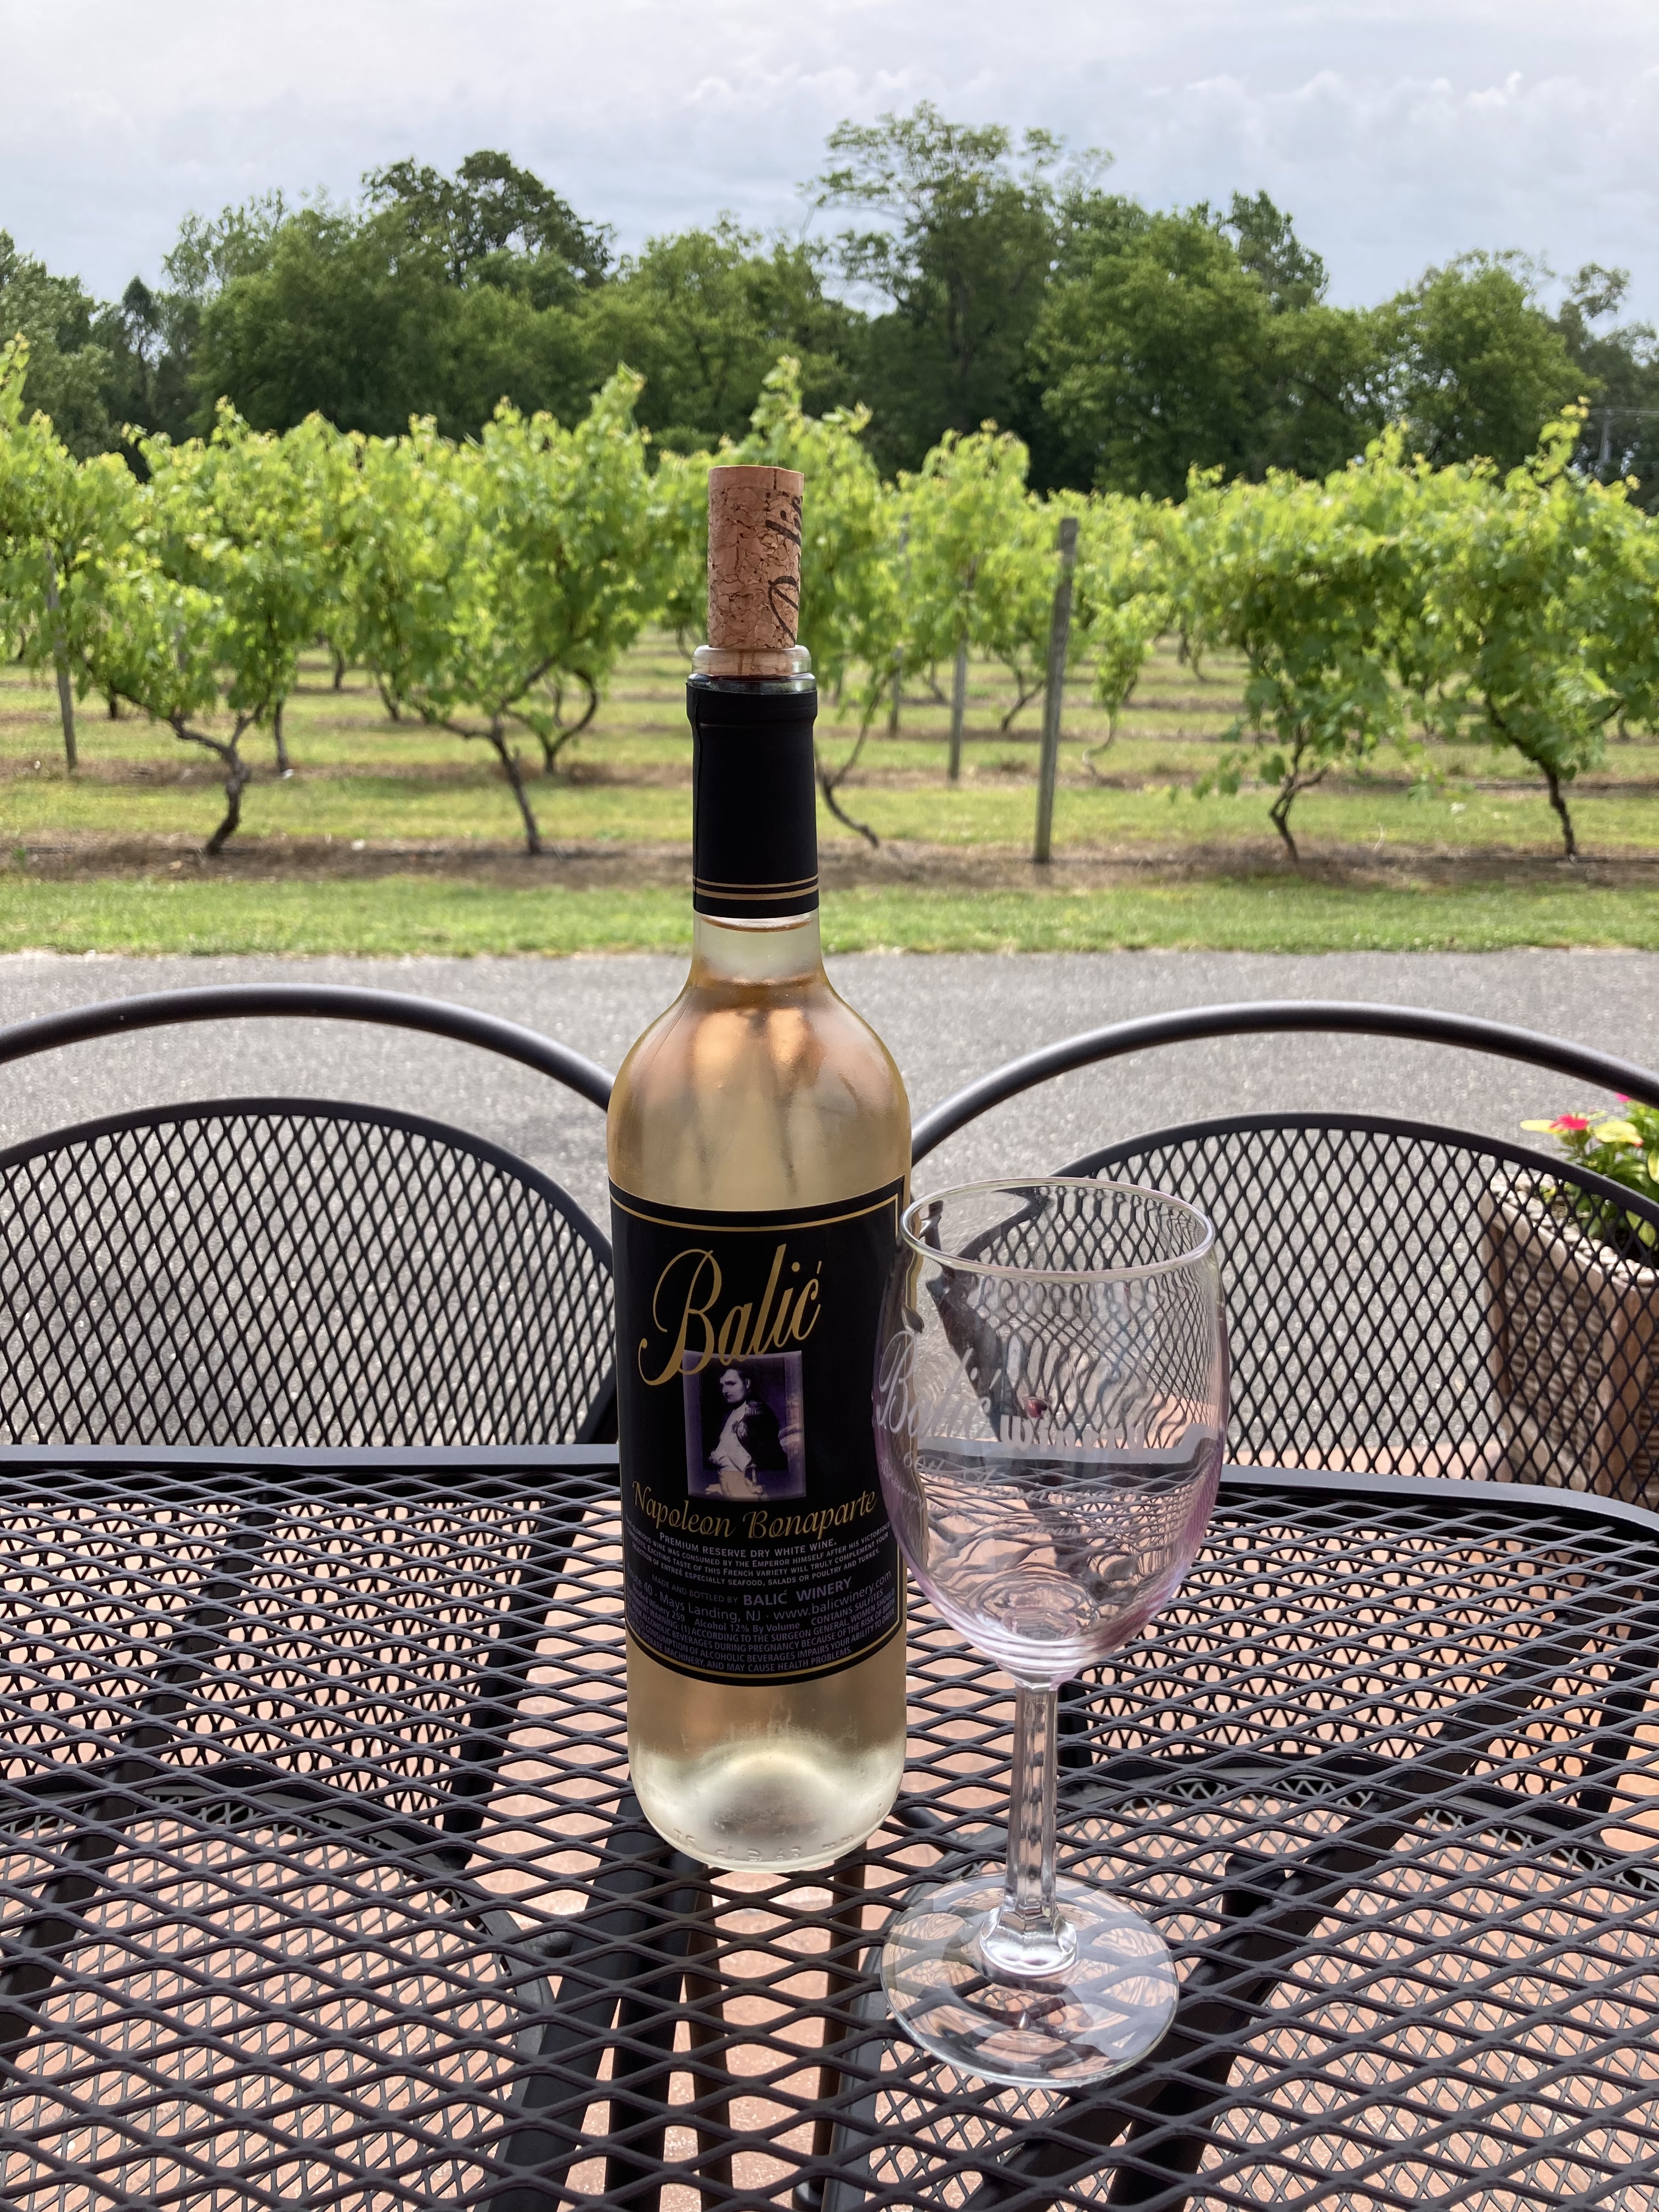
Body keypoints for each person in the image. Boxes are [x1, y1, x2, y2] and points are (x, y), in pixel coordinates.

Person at [707, 1364, 788, 1500]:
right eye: (722, 1386)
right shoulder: (731, 1413)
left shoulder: (758, 1414)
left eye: (731, 1384)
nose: (725, 1391)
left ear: (747, 1383)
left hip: (752, 1489)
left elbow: (769, 1460)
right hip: (730, 1487)